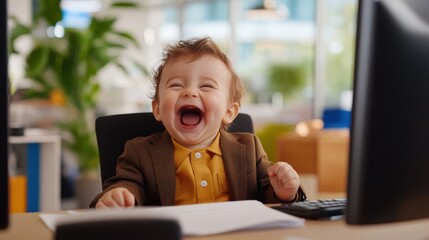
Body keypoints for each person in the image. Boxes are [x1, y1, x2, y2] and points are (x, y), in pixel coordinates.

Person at [90, 37, 306, 208]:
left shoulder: (249, 148)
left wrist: (284, 191)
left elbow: (266, 189)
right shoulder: (140, 152)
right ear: (157, 109)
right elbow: (128, 184)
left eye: (206, 86)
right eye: (176, 85)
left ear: (229, 112)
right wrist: (119, 195)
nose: (190, 92)